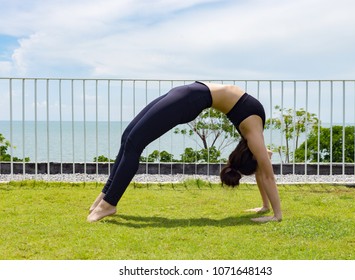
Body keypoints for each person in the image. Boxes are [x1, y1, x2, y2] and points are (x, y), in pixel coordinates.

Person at [87, 81, 282, 223]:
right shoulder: (253, 136)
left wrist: (272, 212)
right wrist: (271, 211)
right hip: (188, 95)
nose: (264, 156)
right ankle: (105, 197)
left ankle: (109, 203)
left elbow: (264, 171)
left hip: (189, 97)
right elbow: (266, 173)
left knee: (134, 142)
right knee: (128, 137)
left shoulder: (253, 132)